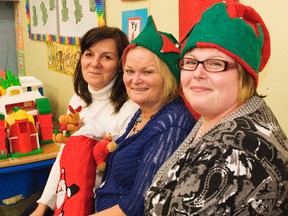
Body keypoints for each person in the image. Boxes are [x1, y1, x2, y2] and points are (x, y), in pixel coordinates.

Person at [145, 2, 288, 215]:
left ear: (245, 76)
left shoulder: (234, 154)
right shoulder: (216, 118)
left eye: (215, 63)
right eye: (191, 62)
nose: (198, 73)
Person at [90, 16, 196, 216]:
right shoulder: (144, 110)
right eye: (129, 71)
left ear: (168, 76)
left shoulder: (172, 125)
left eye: (147, 72)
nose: (135, 80)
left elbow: (139, 205)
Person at [27, 26, 139, 216]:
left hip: (99, 202)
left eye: (106, 57)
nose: (95, 63)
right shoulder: (78, 101)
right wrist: (42, 206)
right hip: (68, 190)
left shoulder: (130, 108)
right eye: (89, 54)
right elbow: (65, 157)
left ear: (121, 65)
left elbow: (116, 174)